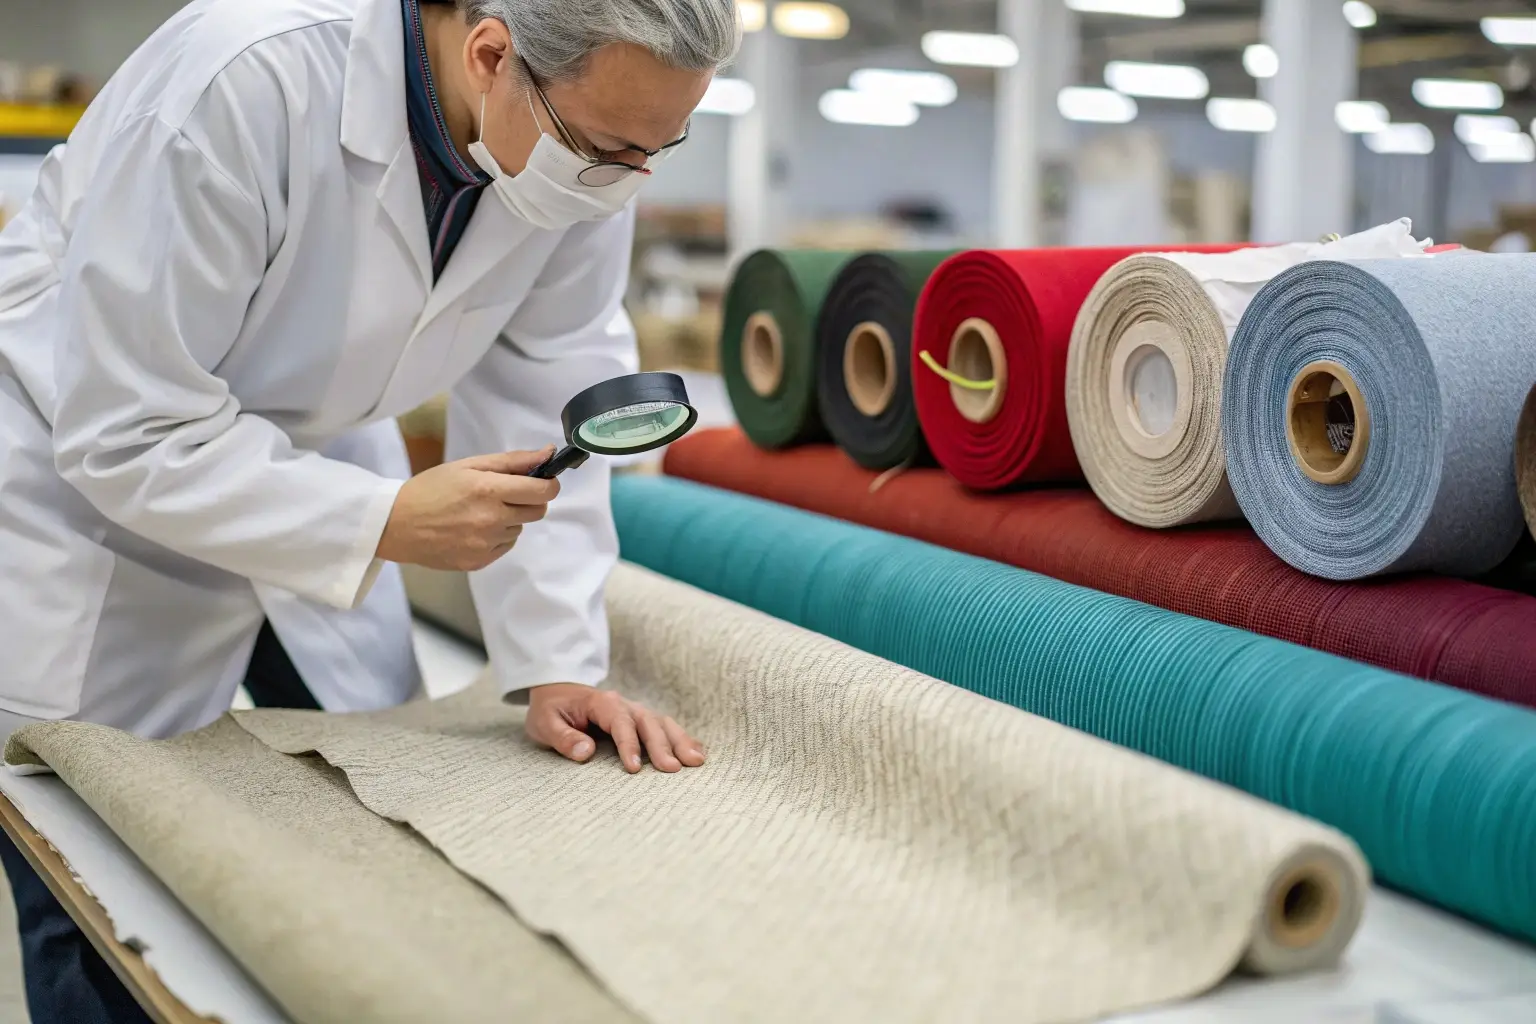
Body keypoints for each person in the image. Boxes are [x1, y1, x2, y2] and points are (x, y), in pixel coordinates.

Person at [0, 0, 739, 1019]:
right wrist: (379, 522)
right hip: (89, 500)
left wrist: (556, 660)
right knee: (101, 886)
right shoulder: (244, 80)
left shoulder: (583, 163)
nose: (629, 179)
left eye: (661, 146)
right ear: (492, 55)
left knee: (367, 827)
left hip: (323, 452)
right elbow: (125, 427)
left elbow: (550, 395)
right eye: (611, 148)